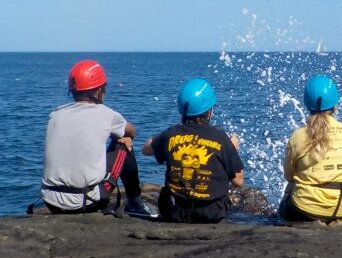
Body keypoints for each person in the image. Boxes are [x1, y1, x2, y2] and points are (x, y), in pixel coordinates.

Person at [40, 60, 150, 216]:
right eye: (104, 88)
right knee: (124, 144)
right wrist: (121, 135)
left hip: (50, 201)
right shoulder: (106, 114)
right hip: (85, 202)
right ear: (98, 91)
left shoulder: (55, 115)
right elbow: (132, 131)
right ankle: (136, 203)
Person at [141, 78, 244, 223]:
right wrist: (231, 148)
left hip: (174, 211)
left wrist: (163, 138)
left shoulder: (170, 135)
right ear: (209, 112)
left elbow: (145, 150)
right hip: (211, 213)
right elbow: (239, 181)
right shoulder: (220, 137)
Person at [279, 75, 342, 221]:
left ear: (306, 103)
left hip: (304, 209)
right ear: (335, 104)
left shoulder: (298, 136)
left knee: (289, 192)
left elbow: (289, 176)